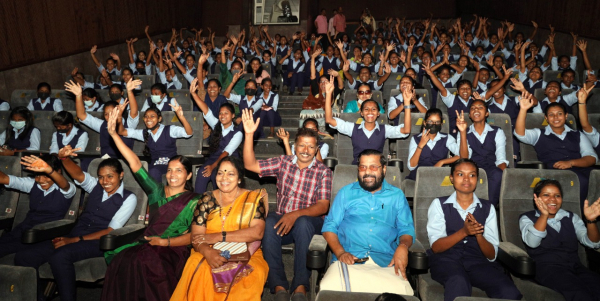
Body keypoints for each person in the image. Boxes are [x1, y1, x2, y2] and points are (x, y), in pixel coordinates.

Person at [99, 107, 202, 301]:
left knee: (150, 264)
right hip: (148, 242)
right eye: (170, 170)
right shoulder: (156, 191)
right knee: (123, 258)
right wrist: (114, 134)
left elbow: (195, 236)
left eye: (179, 171)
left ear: (188, 175)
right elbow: (135, 163)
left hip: (173, 249)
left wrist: (165, 242)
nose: (172, 174)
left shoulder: (196, 200)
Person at [15, 146, 137, 301]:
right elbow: (78, 175)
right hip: (75, 233)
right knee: (24, 257)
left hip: (99, 242)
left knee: (60, 256)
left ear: (121, 175)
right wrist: (64, 159)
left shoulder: (129, 198)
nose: (105, 181)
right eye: (100, 177)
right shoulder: (95, 187)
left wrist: (74, 240)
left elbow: (110, 231)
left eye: (110, 176)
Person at [242, 108, 332, 301]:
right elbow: (250, 165)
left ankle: (300, 285)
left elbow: (323, 206)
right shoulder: (283, 162)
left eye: (310, 147)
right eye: (302, 145)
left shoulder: (323, 171)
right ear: (295, 145)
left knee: (303, 222)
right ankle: (279, 285)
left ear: (316, 150)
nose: (305, 150)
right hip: (283, 220)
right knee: (269, 221)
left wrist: (295, 214)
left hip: (310, 224)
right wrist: (249, 134)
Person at [169, 156, 268, 301]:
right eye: (220, 173)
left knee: (255, 272)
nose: (224, 178)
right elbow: (196, 235)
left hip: (245, 252)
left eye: (230, 174)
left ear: (239, 178)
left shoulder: (253, 199)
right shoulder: (206, 199)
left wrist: (218, 236)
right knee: (197, 265)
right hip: (207, 249)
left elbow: (257, 232)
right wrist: (208, 252)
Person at [320, 149, 415, 295]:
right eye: (363, 167)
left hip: (386, 262)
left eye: (373, 167)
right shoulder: (346, 193)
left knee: (404, 293)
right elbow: (329, 227)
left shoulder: (396, 195)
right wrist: (341, 253)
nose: (367, 172)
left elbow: (406, 229)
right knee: (329, 290)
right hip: (349, 260)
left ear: (383, 169)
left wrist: (403, 246)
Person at [426, 159, 522, 301]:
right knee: (459, 283)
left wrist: (478, 235)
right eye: (460, 174)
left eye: (472, 175)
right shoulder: (439, 204)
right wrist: (464, 232)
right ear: (452, 178)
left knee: (508, 291)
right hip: (446, 261)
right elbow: (436, 247)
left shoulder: (488, 208)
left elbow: (491, 255)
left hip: (478, 263)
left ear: (477, 179)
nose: (466, 179)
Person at [520, 179, 600, 301]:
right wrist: (544, 215)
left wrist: (590, 221)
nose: (552, 199)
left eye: (557, 195)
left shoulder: (571, 217)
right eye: (546, 195)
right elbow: (533, 242)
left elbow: (592, 243)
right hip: (548, 269)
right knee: (580, 294)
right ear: (536, 198)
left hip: (575, 267)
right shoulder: (527, 218)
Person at [514, 92, 598, 206]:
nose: (556, 118)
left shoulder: (577, 134)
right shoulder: (539, 133)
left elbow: (592, 158)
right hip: (553, 171)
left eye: (559, 114)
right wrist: (523, 110)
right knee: (581, 181)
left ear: (566, 115)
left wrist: (571, 163)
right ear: (546, 118)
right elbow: (520, 134)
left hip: (579, 168)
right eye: (551, 115)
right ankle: (582, 215)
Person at [0, 155, 75, 260]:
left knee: (18, 256)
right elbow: (4, 178)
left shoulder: (67, 189)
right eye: (37, 176)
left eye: (46, 176)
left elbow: (65, 185)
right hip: (24, 230)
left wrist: (48, 169)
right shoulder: (33, 184)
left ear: (58, 172)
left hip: (44, 234)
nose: (40, 180)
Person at [324, 75, 411, 164]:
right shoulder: (353, 128)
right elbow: (329, 120)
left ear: (378, 113)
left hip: (377, 169)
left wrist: (407, 103)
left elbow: (406, 130)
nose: (370, 112)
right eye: (366, 109)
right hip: (358, 168)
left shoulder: (385, 129)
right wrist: (328, 94)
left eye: (373, 109)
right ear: (361, 113)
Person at [190, 79, 242, 194]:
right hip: (214, 158)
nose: (222, 116)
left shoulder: (237, 133)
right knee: (202, 172)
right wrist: (194, 94)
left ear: (233, 115)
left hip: (229, 160)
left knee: (215, 175)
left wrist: (213, 166)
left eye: (226, 113)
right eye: (220, 113)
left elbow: (226, 152)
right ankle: (197, 203)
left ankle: (218, 204)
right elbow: (205, 109)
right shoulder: (216, 125)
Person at [118, 102, 193, 182]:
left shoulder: (169, 130)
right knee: (138, 173)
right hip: (154, 165)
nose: (148, 119)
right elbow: (122, 132)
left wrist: (181, 117)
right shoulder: (144, 133)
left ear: (159, 119)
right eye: (146, 117)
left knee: (153, 171)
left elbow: (189, 133)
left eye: (152, 116)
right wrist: (119, 116)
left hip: (170, 165)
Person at [67, 80, 140, 159]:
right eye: (106, 114)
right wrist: (78, 95)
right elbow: (81, 115)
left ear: (119, 111)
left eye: (112, 113)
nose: (109, 117)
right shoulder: (102, 124)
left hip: (125, 161)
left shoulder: (129, 124)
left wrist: (129, 91)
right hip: (105, 161)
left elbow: (134, 112)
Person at [457, 98, 509, 206]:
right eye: (473, 108)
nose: (476, 110)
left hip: (492, 168)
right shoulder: (463, 131)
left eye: (480, 107)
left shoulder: (497, 132)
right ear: (470, 115)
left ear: (486, 113)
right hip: (472, 168)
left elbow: (501, 158)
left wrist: (504, 178)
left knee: (498, 174)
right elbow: (464, 158)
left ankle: (488, 209)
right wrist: (462, 132)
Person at [407, 108, 464, 180]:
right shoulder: (416, 138)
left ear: (441, 124)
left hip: (438, 176)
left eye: (437, 122)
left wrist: (442, 162)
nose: (434, 124)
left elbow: (462, 155)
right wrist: (420, 145)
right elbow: (411, 166)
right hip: (418, 177)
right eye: (430, 121)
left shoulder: (447, 138)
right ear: (424, 123)